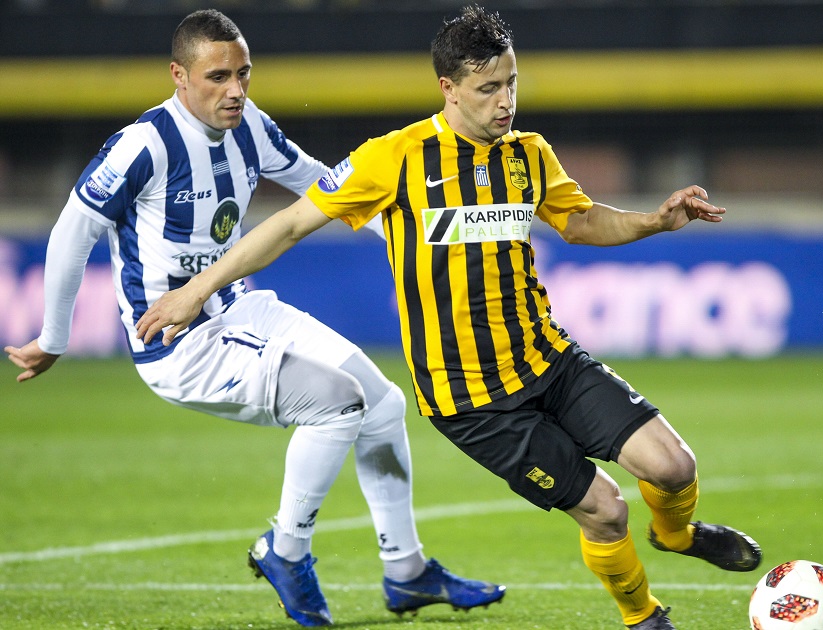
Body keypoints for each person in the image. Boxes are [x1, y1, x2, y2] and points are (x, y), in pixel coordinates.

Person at [133, 5, 762, 629]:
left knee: (675, 467)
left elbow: (580, 220)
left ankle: (676, 535)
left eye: (511, 83)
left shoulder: (529, 154)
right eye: (488, 88)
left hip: (548, 359)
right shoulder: (395, 158)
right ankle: (644, 617)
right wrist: (197, 290)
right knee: (605, 510)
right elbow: (290, 224)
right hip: (471, 398)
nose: (505, 101)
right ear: (449, 88)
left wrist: (654, 221)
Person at [3, 9, 506, 628]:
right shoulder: (144, 144)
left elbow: (321, 184)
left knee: (383, 404)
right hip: (178, 341)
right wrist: (54, 336)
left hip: (240, 306)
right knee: (337, 403)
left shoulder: (251, 127)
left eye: (243, 74)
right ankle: (285, 551)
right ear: (179, 76)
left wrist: (410, 237)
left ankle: (406, 571)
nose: (235, 90)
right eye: (218, 76)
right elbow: (71, 233)